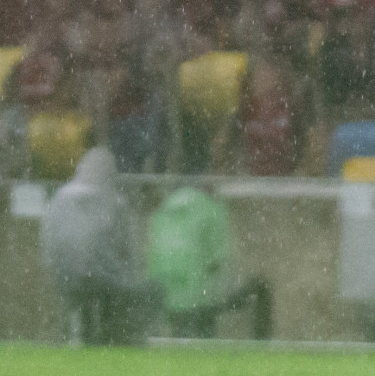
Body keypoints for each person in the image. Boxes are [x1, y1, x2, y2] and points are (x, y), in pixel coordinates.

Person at [40, 147, 160, 345]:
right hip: (102, 277)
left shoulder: (60, 198)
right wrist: (128, 276)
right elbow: (125, 247)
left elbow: (49, 237)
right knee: (114, 299)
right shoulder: (113, 201)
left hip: (65, 275)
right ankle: (108, 338)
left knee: (79, 305)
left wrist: (53, 267)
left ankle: (76, 336)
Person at [146, 184, 273, 339]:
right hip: (199, 295)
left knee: (183, 326)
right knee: (259, 288)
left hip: (164, 293)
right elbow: (217, 260)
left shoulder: (167, 207)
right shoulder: (212, 207)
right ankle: (260, 346)